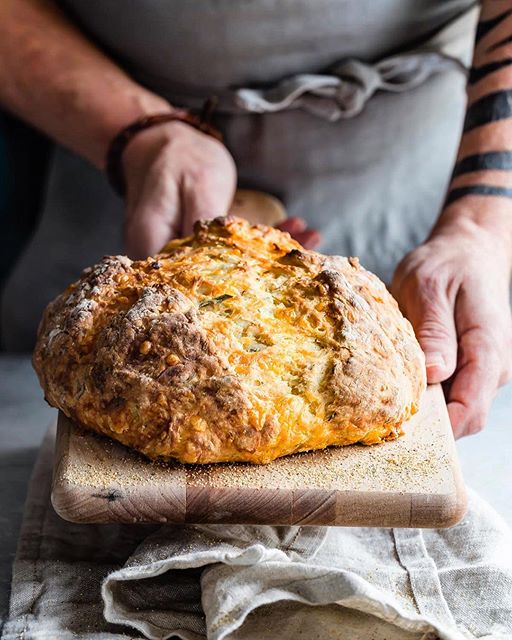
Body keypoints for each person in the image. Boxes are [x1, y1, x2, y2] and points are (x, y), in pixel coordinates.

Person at [0, 0, 510, 440]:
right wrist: (141, 132)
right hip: (100, 144)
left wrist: (481, 222)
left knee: (388, 373)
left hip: (418, 169)